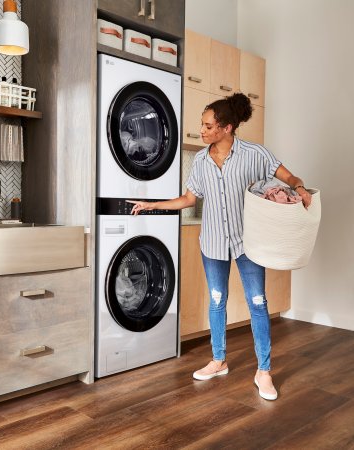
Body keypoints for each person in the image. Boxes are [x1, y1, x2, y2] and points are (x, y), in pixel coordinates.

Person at [127, 93, 312, 401]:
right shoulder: (200, 160)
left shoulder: (255, 154)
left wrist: (300, 188)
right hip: (212, 243)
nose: (202, 131)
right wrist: (151, 205)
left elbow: (288, 176)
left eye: (208, 126)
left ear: (227, 128)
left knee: (257, 303)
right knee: (217, 301)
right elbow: (189, 199)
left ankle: (263, 372)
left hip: (248, 244)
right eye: (202, 125)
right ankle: (218, 360)